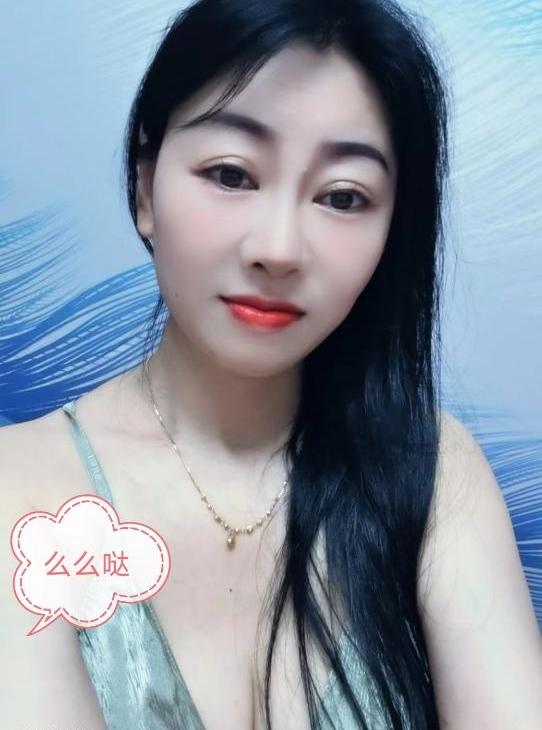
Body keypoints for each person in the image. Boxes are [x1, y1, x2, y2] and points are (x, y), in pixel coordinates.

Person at [2, 0, 541, 728]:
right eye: (232, 175)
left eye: (343, 196)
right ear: (145, 188)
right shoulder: (19, 487)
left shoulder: (435, 473)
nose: (279, 249)